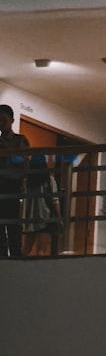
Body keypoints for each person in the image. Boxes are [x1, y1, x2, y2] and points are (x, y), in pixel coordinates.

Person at [0, 104, 31, 258]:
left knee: (13, 225)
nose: (1, 124)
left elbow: (24, 164)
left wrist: (7, 155)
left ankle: (16, 255)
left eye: (3, 121)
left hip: (12, 186)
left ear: (11, 121)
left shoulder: (21, 140)